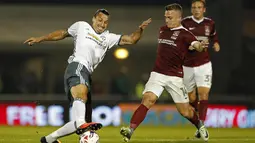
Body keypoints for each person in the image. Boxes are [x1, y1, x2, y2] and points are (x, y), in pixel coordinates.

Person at [24, 9, 152, 143]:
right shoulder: (81, 26)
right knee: (81, 103)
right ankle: (81, 125)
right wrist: (40, 39)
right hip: (77, 66)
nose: (102, 24)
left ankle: (48, 140)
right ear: (93, 19)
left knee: (82, 119)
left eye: (106, 22)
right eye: (100, 20)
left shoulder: (108, 38)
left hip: (87, 74)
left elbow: (132, 39)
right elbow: (62, 33)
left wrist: (140, 30)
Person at [120, 3, 209, 142]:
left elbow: (196, 45)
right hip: (158, 74)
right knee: (148, 99)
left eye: (170, 17)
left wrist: (200, 46)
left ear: (179, 18)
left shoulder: (186, 34)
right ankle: (129, 130)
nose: (167, 20)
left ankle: (200, 125)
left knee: (185, 111)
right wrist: (141, 30)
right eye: (166, 17)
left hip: (175, 77)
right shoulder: (162, 30)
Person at [181, 0, 220, 138]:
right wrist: (189, 46)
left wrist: (215, 43)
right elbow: (179, 41)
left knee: (203, 94)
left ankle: (201, 126)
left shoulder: (210, 23)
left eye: (199, 7)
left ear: (204, 9)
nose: (196, 10)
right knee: (191, 97)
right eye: (193, 7)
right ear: (191, 9)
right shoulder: (185, 23)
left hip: (204, 64)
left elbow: (214, 36)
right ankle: (199, 124)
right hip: (187, 66)